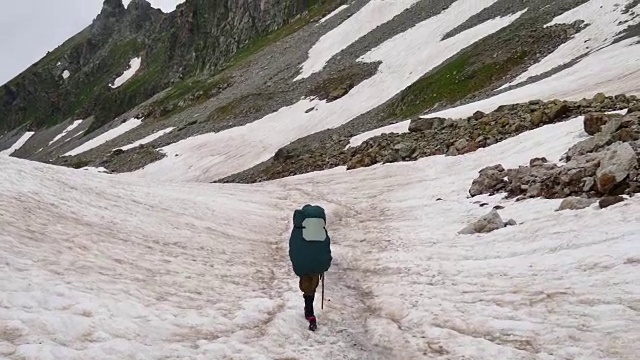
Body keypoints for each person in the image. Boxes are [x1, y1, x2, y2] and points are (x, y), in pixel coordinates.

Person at [288, 204, 332, 331]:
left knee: (306, 286)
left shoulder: (298, 230)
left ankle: (309, 311)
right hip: (318, 264)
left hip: (303, 265)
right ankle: (309, 311)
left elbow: (294, 249)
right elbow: (326, 248)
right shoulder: (322, 231)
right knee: (312, 284)